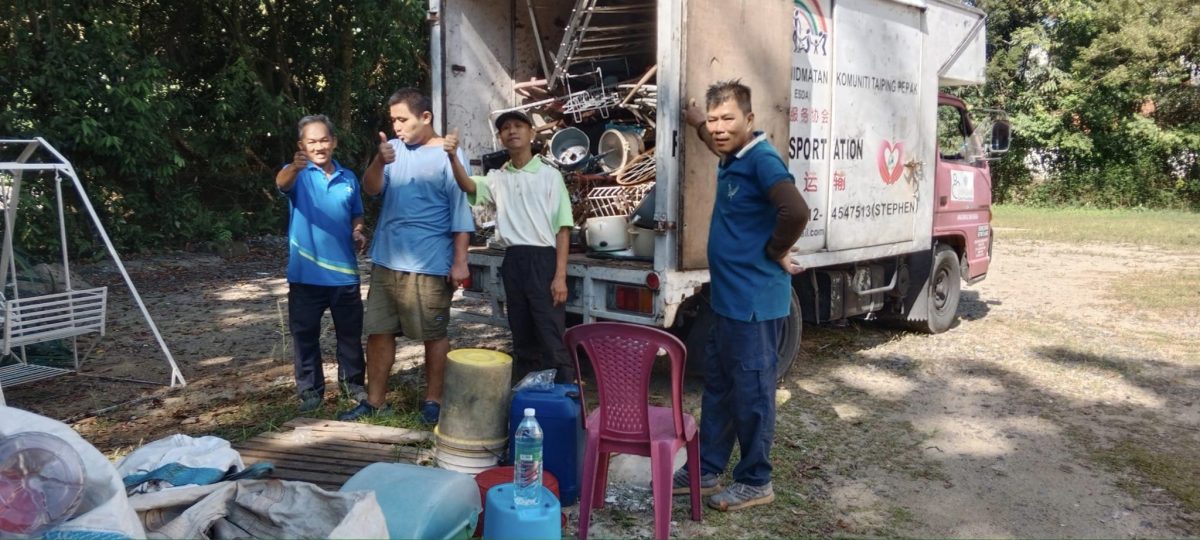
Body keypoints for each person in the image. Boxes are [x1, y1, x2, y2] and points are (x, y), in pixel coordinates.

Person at [672, 81, 810, 511]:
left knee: (751, 395)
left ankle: (756, 480)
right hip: (727, 303)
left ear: (750, 120)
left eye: (728, 119)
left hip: (754, 304)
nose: (718, 128)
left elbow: (796, 210)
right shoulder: (733, 154)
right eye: (714, 120)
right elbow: (711, 139)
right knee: (719, 389)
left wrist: (774, 251)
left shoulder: (762, 160)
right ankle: (708, 469)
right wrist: (695, 118)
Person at [339, 89, 474, 425]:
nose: (397, 127)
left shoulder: (448, 155)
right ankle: (374, 402)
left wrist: (460, 260)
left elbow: (461, 211)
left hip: (430, 261)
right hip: (387, 259)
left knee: (433, 334)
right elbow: (370, 189)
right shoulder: (392, 151)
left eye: (403, 119)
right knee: (379, 331)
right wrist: (378, 159)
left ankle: (433, 401)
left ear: (425, 117)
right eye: (393, 120)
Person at [444, 110, 576, 384]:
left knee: (549, 330)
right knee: (521, 330)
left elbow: (563, 228)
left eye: (518, 126)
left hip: (543, 259)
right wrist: (452, 157)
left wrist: (560, 276)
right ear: (500, 137)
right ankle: (527, 392)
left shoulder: (550, 176)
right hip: (513, 259)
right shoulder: (497, 178)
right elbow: (467, 184)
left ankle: (565, 394)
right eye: (505, 128)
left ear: (531, 133)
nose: (512, 131)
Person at [275, 114, 368, 412]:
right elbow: (281, 183)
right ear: (302, 145)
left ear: (334, 142)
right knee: (304, 336)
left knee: (350, 337)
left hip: (344, 275)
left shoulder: (349, 177)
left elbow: (357, 212)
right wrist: (294, 166)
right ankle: (310, 391)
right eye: (312, 141)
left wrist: (357, 230)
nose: (319, 146)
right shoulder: (296, 174)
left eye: (324, 140)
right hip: (305, 275)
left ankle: (353, 387)